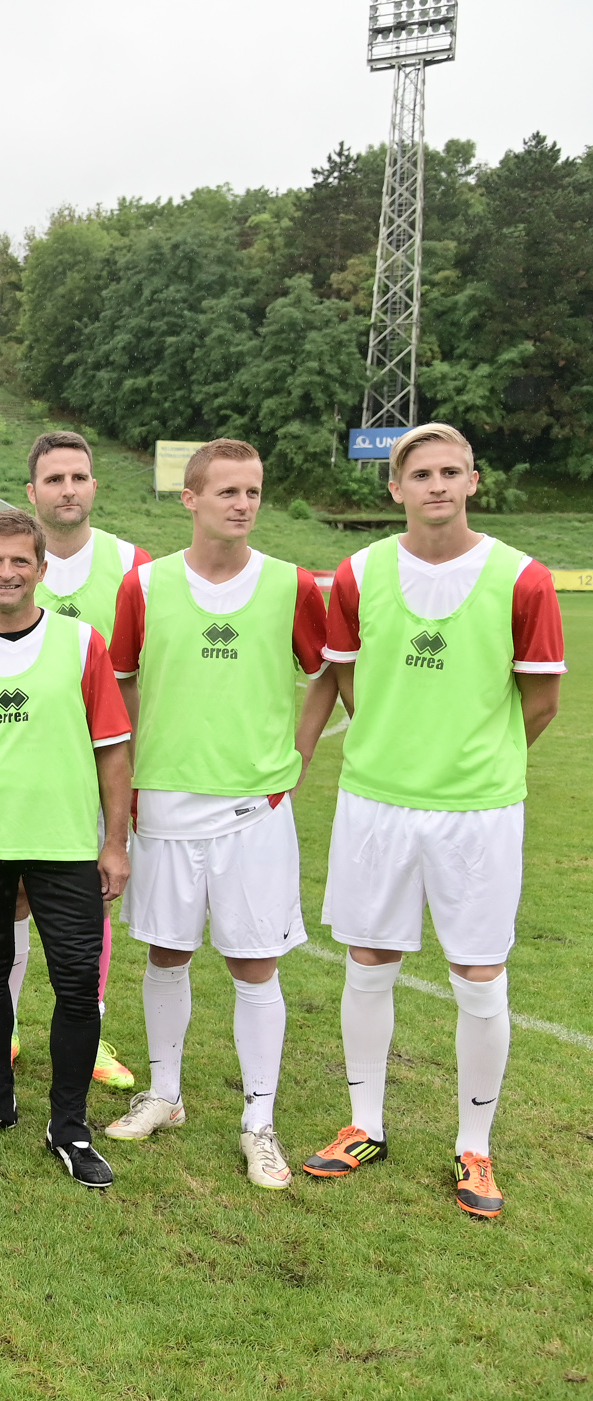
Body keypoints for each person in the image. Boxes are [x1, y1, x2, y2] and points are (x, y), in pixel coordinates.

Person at [304, 423, 563, 1218]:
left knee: (478, 971)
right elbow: (345, 679)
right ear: (396, 488)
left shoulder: (523, 578)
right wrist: (396, 749)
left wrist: (471, 762)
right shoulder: (359, 572)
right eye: (421, 473)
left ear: (475, 481)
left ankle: (474, 1146)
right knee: (369, 956)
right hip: (377, 799)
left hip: (478, 810)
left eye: (452, 471)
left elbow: (541, 701)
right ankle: (365, 1123)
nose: (438, 485)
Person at [101, 439, 333, 1191]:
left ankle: (258, 1120)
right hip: (164, 799)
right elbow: (124, 688)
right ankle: (163, 1094)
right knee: (166, 952)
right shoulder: (145, 585)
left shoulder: (292, 584)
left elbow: (328, 673)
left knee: (253, 962)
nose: (243, 503)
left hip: (252, 807)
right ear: (190, 498)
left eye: (254, 491)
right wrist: (131, 780)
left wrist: (293, 761)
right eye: (228, 490)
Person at [0, 510, 132, 1188]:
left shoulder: (81, 642)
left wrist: (115, 842)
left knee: (73, 983)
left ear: (40, 569)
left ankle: (68, 1124)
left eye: (20, 561)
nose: (6, 572)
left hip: (63, 841)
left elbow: (113, 748)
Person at [26, 430, 146, 1092]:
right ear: (32, 492)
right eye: (53, 479)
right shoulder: (8, 559)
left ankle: (89, 1029)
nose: (67, 489)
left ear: (94, 485)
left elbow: (143, 674)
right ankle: (5, 1034)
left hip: (97, 767)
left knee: (92, 902)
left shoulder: (133, 564)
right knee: (15, 899)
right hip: (17, 765)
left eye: (77, 477)